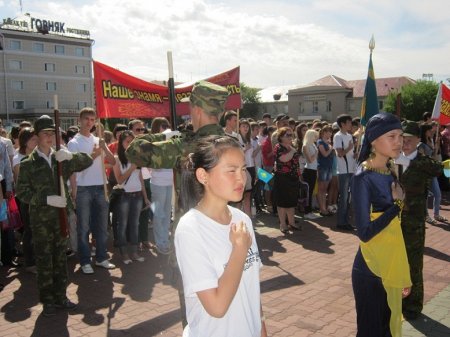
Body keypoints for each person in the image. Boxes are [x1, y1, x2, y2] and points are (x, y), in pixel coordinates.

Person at [126, 80, 229, 327]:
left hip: (193, 242)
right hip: (225, 240)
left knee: (195, 315)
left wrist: (161, 136)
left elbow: (133, 151)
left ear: (196, 110)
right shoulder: (231, 143)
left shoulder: (185, 145)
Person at [175, 135, 267, 337]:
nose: (241, 178)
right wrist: (239, 250)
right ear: (203, 176)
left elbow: (251, 288)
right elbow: (216, 307)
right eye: (231, 171)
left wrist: (261, 328)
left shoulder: (242, 219)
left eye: (243, 169)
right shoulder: (190, 229)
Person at [16, 115, 93, 316]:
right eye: (45, 133)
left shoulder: (60, 158)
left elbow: (87, 161)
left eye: (52, 133)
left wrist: (69, 156)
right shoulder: (27, 164)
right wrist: (46, 199)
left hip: (60, 217)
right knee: (44, 260)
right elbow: (22, 193)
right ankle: (47, 300)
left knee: (60, 259)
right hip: (41, 219)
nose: (50, 137)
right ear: (37, 136)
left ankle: (61, 297)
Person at [351, 112, 411, 337]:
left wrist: (401, 272)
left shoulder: (390, 170)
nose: (399, 141)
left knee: (387, 330)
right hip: (371, 268)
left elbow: (395, 230)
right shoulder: (362, 176)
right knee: (372, 332)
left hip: (389, 263)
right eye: (392, 136)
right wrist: (397, 205)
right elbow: (365, 233)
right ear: (374, 140)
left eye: (401, 136)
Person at [395, 121, 441, 320]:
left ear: (418, 141)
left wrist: (412, 162)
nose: (405, 144)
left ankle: (413, 306)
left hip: (414, 221)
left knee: (413, 265)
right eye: (402, 139)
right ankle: (398, 300)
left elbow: (439, 169)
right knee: (397, 263)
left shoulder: (423, 162)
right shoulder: (393, 159)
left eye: (409, 140)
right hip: (394, 221)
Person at [67, 107, 116, 274]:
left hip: (101, 187)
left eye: (92, 119)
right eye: (86, 119)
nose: (89, 122)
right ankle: (85, 260)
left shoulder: (98, 140)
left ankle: (102, 258)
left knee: (102, 226)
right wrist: (74, 190)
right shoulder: (74, 143)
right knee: (84, 228)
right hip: (83, 188)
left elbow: (112, 162)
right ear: (79, 121)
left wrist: (105, 148)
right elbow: (74, 168)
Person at [112, 130, 149, 264]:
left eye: (132, 142)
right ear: (121, 143)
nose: (130, 144)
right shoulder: (117, 159)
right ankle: (124, 254)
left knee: (135, 224)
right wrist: (131, 168)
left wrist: (145, 197)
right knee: (122, 225)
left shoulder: (137, 157)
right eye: (128, 141)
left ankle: (134, 252)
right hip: (124, 196)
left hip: (138, 195)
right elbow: (119, 180)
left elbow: (141, 179)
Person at [12, 127, 38, 273]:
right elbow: (19, 182)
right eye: (33, 139)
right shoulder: (18, 158)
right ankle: (30, 262)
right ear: (25, 141)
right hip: (27, 199)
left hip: (39, 198)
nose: (36, 141)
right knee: (29, 230)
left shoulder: (37, 155)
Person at [149, 117, 174, 255]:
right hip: (157, 183)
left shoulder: (170, 142)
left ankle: (164, 239)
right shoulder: (152, 143)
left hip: (169, 182)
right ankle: (160, 242)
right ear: (156, 127)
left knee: (167, 213)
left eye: (167, 125)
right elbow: (150, 164)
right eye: (163, 126)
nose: (166, 128)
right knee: (159, 214)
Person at [273, 127, 302, 233]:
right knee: (282, 202)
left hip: (293, 177)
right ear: (281, 137)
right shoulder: (278, 147)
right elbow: (284, 159)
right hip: (282, 178)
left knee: (292, 201)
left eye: (291, 135)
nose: (291, 137)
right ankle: (283, 224)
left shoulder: (292, 146)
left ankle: (292, 223)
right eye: (287, 135)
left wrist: (299, 174)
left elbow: (296, 162)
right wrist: (292, 151)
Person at [417, 124, 447, 224]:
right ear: (426, 131)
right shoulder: (420, 144)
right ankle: (426, 216)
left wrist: (437, 146)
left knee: (438, 194)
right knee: (425, 196)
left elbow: (433, 157)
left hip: (432, 173)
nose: (432, 132)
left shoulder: (431, 141)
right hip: (424, 174)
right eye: (430, 130)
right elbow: (421, 159)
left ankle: (436, 214)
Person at [334, 115, 356, 230]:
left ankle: (346, 220)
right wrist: (349, 148)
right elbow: (340, 153)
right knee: (344, 197)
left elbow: (350, 154)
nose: (350, 124)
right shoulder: (338, 136)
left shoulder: (349, 136)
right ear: (342, 124)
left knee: (349, 197)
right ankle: (341, 222)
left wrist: (355, 154)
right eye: (349, 122)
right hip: (343, 171)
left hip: (351, 169)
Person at [302, 129, 320, 220]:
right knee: (308, 192)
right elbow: (310, 160)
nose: (316, 137)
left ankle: (309, 211)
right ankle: (306, 212)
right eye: (315, 136)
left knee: (311, 191)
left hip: (313, 170)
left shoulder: (313, 144)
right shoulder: (305, 146)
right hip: (308, 170)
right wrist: (316, 153)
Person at [317, 125, 334, 216]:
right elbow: (324, 154)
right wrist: (330, 148)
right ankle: (322, 209)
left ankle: (324, 208)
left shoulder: (328, 142)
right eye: (328, 132)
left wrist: (330, 146)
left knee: (325, 189)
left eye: (331, 132)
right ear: (324, 132)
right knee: (321, 188)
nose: (330, 134)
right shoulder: (320, 142)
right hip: (322, 167)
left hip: (329, 167)